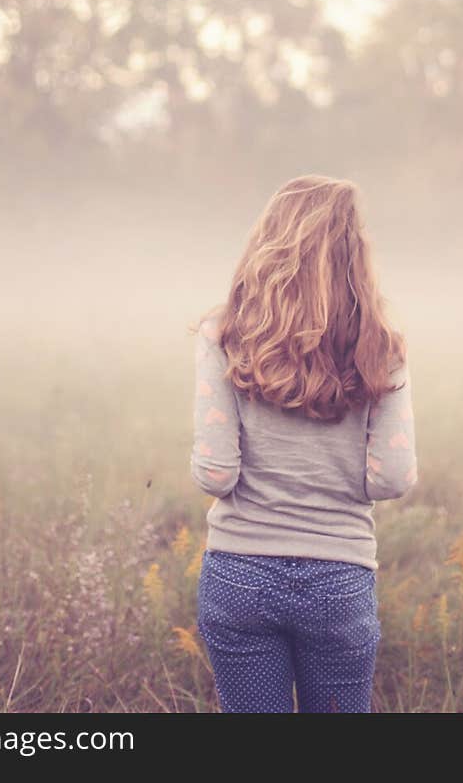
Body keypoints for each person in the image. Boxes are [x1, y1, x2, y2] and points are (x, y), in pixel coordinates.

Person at [188, 173, 418, 713]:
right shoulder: (381, 344)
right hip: (339, 577)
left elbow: (215, 474)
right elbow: (394, 477)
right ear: (355, 252)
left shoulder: (225, 334)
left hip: (239, 572)